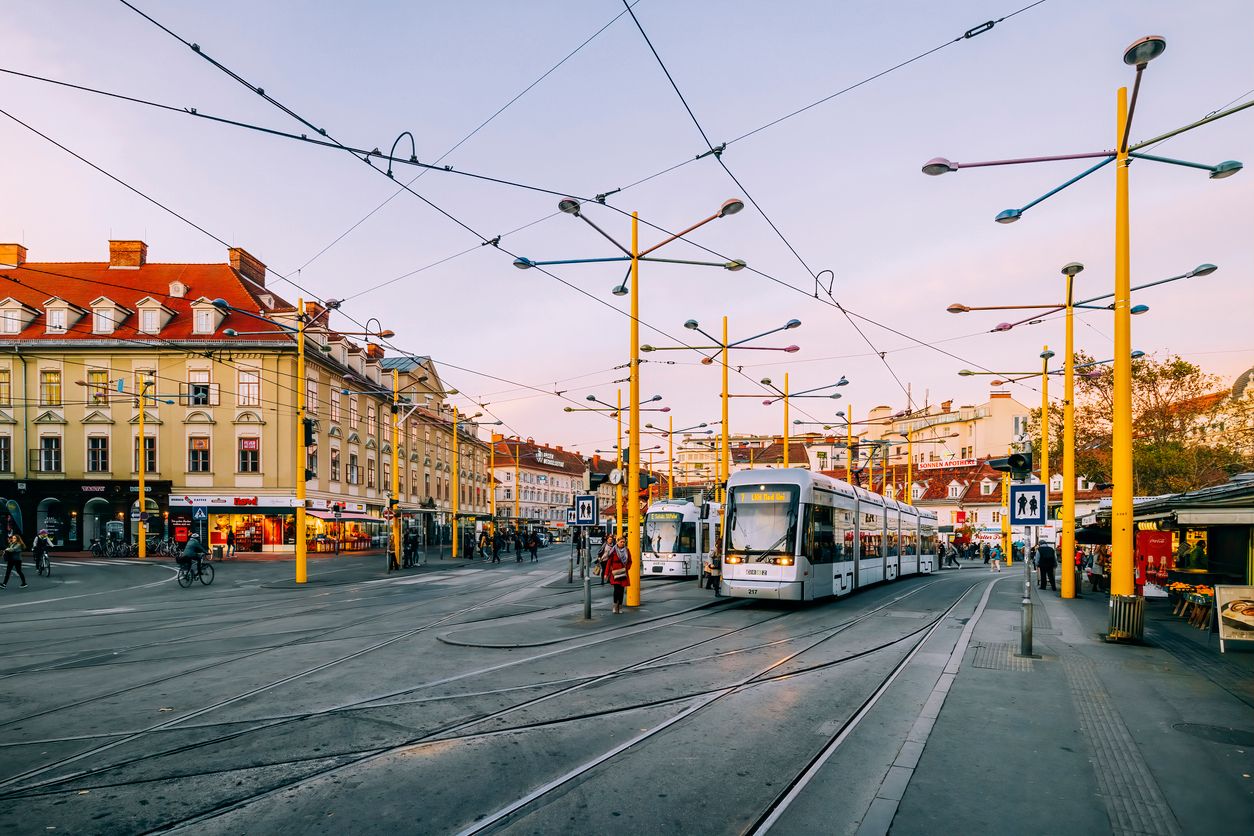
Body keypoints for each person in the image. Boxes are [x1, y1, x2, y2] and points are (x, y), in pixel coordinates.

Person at [602, 535, 632, 614]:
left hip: (623, 572)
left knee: (622, 591)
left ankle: (620, 606)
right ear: (617, 542)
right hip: (615, 573)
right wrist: (606, 573)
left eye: (624, 542)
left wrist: (626, 568)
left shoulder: (627, 550)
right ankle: (615, 606)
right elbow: (609, 563)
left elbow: (630, 561)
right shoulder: (613, 551)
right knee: (616, 590)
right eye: (621, 542)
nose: (622, 543)